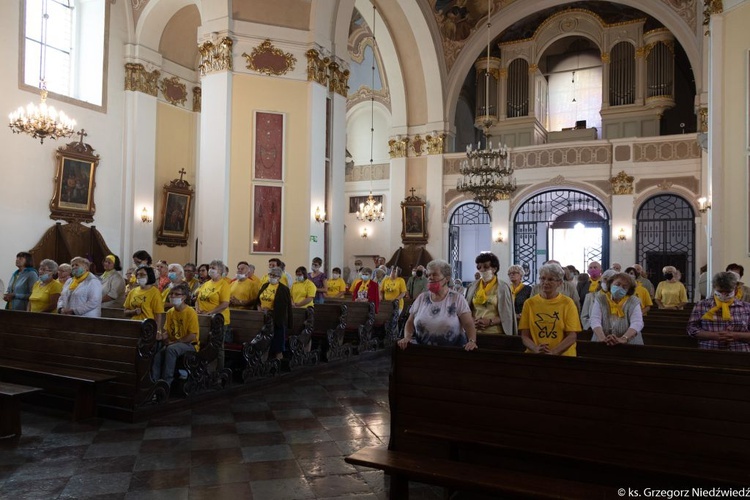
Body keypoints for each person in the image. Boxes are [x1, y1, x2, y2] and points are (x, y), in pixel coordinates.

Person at [398, 259, 477, 350]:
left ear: (446, 278)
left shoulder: (457, 298)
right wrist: (407, 337)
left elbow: (468, 323)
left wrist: (472, 341)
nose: (430, 277)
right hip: (422, 351)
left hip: (452, 352)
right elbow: (410, 322)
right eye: (428, 275)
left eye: (434, 274)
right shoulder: (422, 298)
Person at [519, 263, 581, 356]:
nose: (545, 282)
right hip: (535, 356)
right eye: (543, 278)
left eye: (550, 279)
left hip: (563, 356)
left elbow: (572, 336)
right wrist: (535, 348)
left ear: (560, 282)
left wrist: (554, 352)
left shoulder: (568, 303)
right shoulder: (529, 303)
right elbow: (525, 335)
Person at [687, 271, 750, 351]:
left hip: (739, 350)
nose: (723, 294)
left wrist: (736, 335)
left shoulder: (747, 307)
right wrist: (714, 336)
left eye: (727, 292)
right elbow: (691, 328)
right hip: (709, 350)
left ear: (735, 289)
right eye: (720, 291)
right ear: (714, 288)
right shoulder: (702, 305)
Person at [152, 284, 200, 387]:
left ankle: (166, 383)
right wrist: (161, 336)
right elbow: (168, 332)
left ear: (184, 297)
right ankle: (155, 383)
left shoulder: (190, 312)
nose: (173, 296)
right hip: (174, 343)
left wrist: (174, 342)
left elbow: (192, 336)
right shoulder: (170, 312)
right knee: (158, 354)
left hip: (189, 344)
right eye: (171, 294)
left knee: (171, 350)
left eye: (176, 294)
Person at [466, 252, 517, 335]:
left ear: (494, 269)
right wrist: (472, 320)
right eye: (479, 267)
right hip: (474, 331)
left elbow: (507, 314)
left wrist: (489, 322)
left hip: (495, 332)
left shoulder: (503, 287)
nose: (482, 270)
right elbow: (467, 309)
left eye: (486, 267)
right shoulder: (472, 286)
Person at [590, 272, 644, 345]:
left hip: (630, 344)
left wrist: (624, 338)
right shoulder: (600, 299)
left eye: (624, 287)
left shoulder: (633, 301)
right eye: (617, 284)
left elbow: (637, 322)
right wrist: (602, 338)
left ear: (628, 290)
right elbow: (595, 319)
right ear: (611, 284)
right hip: (601, 341)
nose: (620, 288)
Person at [196, 259, 231, 368]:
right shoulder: (206, 283)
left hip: (218, 319)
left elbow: (225, 304)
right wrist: (197, 309)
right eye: (210, 267)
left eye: (213, 268)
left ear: (220, 270)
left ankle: (219, 371)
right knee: (204, 344)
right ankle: (206, 369)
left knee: (217, 346)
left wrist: (210, 313)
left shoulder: (223, 284)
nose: (210, 270)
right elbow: (198, 299)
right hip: (203, 318)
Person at [257, 267, 293, 360]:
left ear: (279, 277)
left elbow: (283, 305)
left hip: (276, 318)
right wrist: (259, 308)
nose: (271, 277)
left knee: (277, 339)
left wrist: (269, 311)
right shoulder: (265, 285)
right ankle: (264, 358)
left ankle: (277, 358)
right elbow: (258, 299)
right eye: (270, 275)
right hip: (262, 316)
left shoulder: (283, 289)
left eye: (274, 275)